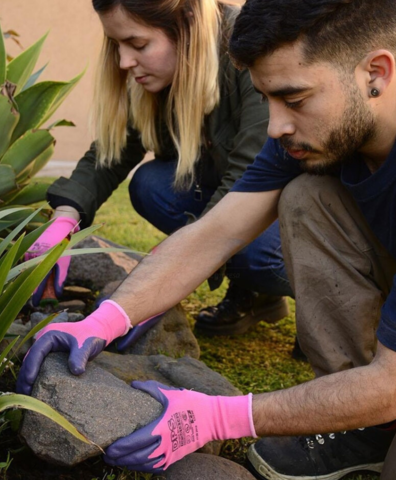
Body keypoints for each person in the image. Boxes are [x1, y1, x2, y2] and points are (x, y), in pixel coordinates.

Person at [18, 0, 396, 479]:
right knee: (305, 195)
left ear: (376, 73)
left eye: (294, 100)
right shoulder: (319, 125)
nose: (276, 125)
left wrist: (221, 416)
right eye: (269, 100)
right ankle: (371, 429)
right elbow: (216, 230)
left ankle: (383, 414)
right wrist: (108, 318)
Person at [27, 0, 293, 337]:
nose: (124, 62)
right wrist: (66, 216)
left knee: (255, 252)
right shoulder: (159, 76)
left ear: (187, 26)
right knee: (152, 185)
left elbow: (250, 175)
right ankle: (255, 296)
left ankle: (347, 301)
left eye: (138, 45)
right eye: (117, 45)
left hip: (281, 207)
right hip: (231, 194)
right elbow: (110, 153)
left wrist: (169, 272)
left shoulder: (249, 47)